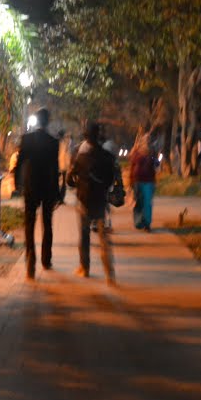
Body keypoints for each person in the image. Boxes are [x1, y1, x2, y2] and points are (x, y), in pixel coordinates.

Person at [67, 121, 121, 284]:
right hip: (101, 202)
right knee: (104, 238)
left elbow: (69, 180)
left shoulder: (81, 157)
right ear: (99, 136)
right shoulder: (108, 157)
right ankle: (109, 273)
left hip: (84, 201)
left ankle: (85, 268)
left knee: (84, 236)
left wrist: (80, 184)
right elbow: (111, 180)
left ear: (86, 137)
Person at [13, 107, 60, 280]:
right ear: (48, 121)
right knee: (47, 224)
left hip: (31, 186)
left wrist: (17, 184)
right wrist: (57, 192)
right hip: (47, 187)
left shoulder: (27, 139)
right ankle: (46, 260)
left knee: (29, 224)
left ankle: (30, 260)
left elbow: (18, 164)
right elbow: (55, 169)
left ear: (37, 121)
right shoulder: (53, 141)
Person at [129, 137, 158, 232]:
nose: (146, 144)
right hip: (137, 182)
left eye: (147, 142)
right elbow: (132, 168)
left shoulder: (152, 154)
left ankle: (147, 224)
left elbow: (156, 164)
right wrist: (130, 183)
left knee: (147, 203)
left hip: (148, 182)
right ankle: (138, 222)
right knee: (139, 203)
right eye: (144, 142)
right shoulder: (135, 153)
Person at [57, 129, 72, 204]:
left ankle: (60, 199)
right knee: (62, 184)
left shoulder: (61, 143)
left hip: (61, 166)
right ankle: (60, 198)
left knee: (61, 184)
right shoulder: (62, 144)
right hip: (62, 166)